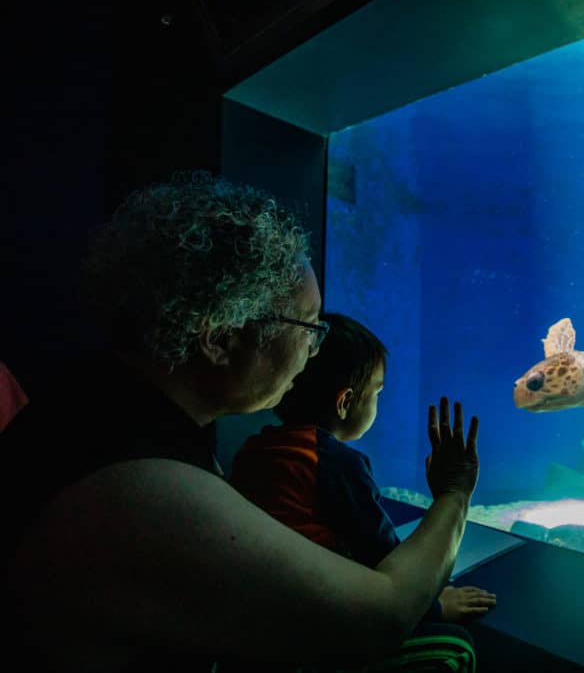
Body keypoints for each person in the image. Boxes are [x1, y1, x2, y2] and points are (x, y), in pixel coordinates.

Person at [1, 172, 480, 673]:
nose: (313, 349)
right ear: (220, 337)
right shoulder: (143, 483)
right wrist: (454, 492)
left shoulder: (92, 404)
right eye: (307, 326)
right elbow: (381, 615)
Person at [230, 313, 497, 626]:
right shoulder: (336, 463)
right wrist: (436, 607)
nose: (379, 401)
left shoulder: (257, 448)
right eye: (377, 392)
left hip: (257, 611)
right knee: (455, 646)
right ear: (345, 402)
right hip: (314, 624)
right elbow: (384, 561)